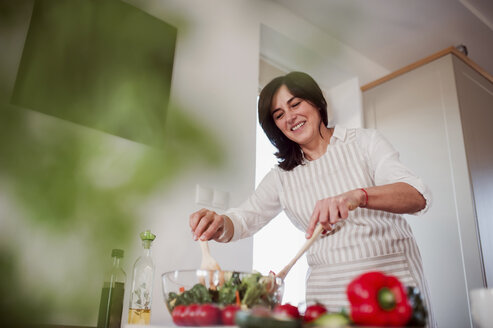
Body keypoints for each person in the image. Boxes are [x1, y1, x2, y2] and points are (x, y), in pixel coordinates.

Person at [189, 71, 435, 326]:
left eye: (295, 104)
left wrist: (357, 196)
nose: (290, 117)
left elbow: (416, 195)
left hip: (390, 284)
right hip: (327, 297)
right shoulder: (282, 176)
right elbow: (242, 220)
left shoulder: (364, 142)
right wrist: (218, 222)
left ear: (317, 102)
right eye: (279, 114)